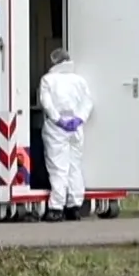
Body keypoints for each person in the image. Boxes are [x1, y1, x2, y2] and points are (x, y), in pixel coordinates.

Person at [37, 47, 95, 221]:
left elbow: (46, 103)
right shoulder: (79, 81)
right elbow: (88, 102)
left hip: (57, 128)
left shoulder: (48, 80)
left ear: (54, 61)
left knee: (58, 168)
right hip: (76, 128)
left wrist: (58, 120)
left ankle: (56, 208)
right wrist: (78, 119)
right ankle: (74, 205)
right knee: (74, 167)